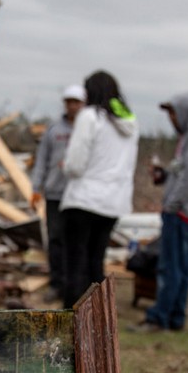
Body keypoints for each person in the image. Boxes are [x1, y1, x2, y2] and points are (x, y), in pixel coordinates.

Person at [60, 70, 139, 308]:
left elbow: (75, 164)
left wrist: (66, 166)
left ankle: (71, 320)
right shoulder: (130, 122)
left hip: (83, 200)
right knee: (96, 262)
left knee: (75, 263)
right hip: (113, 203)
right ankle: (96, 320)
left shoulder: (90, 116)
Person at [143, 92, 188, 331]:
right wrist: (163, 175)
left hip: (182, 214)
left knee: (170, 268)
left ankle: (160, 318)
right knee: (181, 268)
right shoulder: (187, 139)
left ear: (186, 112)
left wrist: (171, 206)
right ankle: (175, 318)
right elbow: (181, 172)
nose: (171, 118)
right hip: (183, 212)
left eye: (173, 112)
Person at [28, 84, 86, 303]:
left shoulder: (87, 129)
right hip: (54, 193)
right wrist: (35, 188)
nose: (72, 106)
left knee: (76, 241)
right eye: (69, 102)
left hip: (79, 195)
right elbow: (41, 160)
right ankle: (56, 283)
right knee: (55, 240)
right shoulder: (54, 130)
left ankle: (76, 284)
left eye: (76, 102)